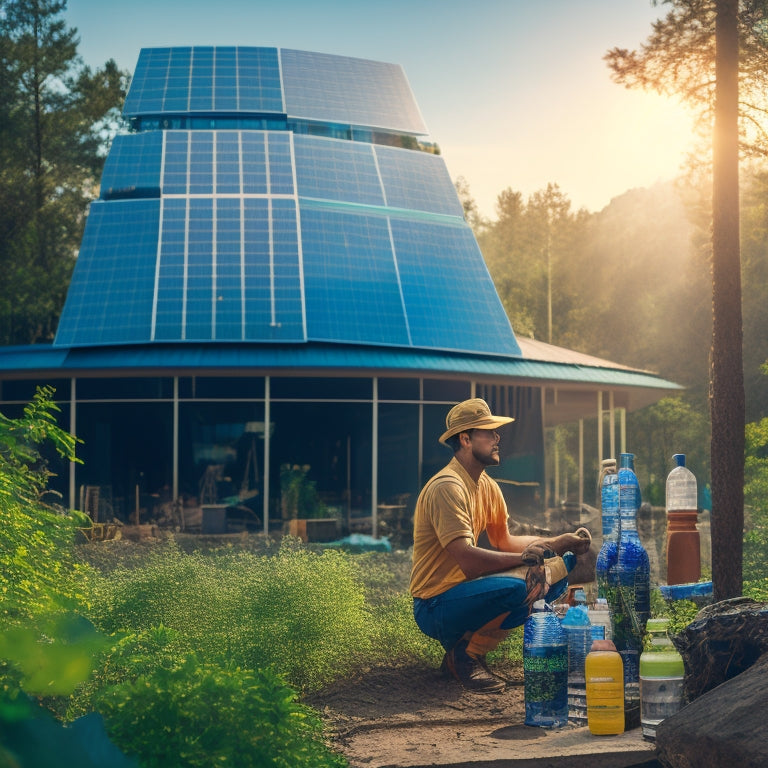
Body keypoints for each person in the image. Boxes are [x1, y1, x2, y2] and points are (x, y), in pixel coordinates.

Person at [410, 398, 592, 693]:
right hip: (435, 605)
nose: (497, 438)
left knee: (554, 577)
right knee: (520, 588)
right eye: (489, 432)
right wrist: (527, 556)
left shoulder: (486, 486)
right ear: (466, 439)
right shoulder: (448, 487)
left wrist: (557, 545)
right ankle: (465, 656)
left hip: (465, 595)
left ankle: (465, 652)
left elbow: (503, 541)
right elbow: (469, 562)